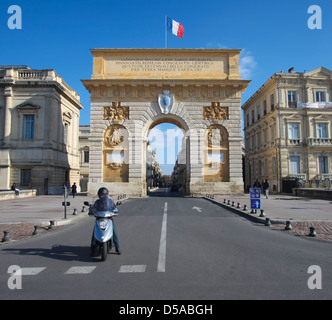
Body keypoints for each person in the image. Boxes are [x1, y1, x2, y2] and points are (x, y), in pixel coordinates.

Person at [91, 187, 121, 256]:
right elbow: (94, 208)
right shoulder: (97, 202)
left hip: (108, 219)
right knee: (94, 234)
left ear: (105, 195)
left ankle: (117, 247)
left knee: (114, 233)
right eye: (100, 195)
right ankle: (92, 248)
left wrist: (115, 211)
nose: (101, 196)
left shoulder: (110, 201)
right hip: (99, 219)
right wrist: (92, 210)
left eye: (102, 195)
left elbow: (114, 208)